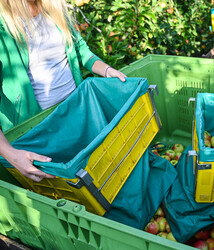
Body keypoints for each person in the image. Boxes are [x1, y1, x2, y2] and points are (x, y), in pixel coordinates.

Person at [0, 0, 126, 182]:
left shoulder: (52, 8)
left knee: (97, 175)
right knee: (61, 184)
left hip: (77, 113)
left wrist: (106, 70)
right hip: (40, 130)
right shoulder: (4, 26)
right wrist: (11, 154)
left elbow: (81, 49)